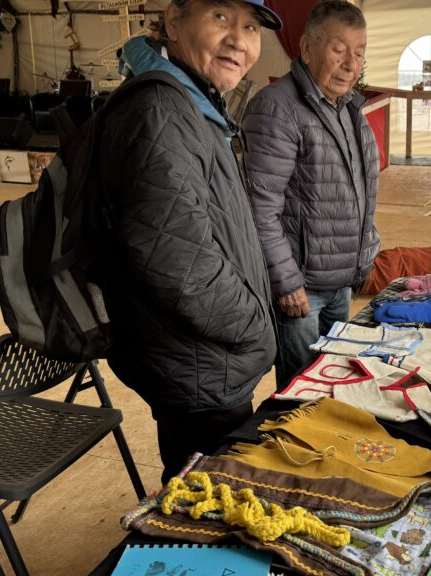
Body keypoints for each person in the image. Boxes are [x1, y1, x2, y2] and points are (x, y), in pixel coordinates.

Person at [97, 0, 282, 484]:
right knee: (203, 500)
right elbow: (176, 259)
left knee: (201, 485)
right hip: (200, 364)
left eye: (250, 26)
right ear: (174, 21)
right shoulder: (161, 110)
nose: (239, 40)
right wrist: (254, 328)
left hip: (204, 358)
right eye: (221, 18)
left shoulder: (193, 104)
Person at [243, 0, 380, 388]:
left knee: (333, 383)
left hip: (339, 283)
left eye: (359, 52)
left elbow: (360, 192)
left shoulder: (347, 107)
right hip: (301, 290)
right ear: (306, 49)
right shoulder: (277, 108)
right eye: (339, 50)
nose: (351, 63)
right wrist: (285, 282)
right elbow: (259, 208)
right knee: (301, 392)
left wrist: (366, 251)